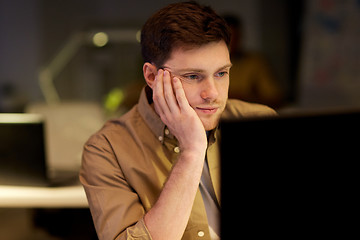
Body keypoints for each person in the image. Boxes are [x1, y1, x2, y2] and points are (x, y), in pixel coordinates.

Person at [80, 2, 276, 240]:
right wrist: (191, 152)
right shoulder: (107, 148)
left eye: (221, 73)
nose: (212, 93)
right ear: (152, 76)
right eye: (193, 76)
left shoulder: (258, 121)